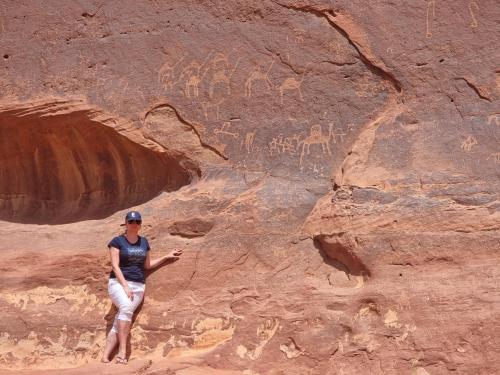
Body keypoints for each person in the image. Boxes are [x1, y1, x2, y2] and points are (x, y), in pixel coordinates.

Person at [101, 211, 182, 364]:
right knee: (125, 308)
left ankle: (105, 356)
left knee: (122, 316)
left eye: (137, 222)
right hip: (118, 283)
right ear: (126, 223)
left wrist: (166, 257)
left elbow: (147, 265)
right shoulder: (117, 241)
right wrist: (125, 286)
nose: (134, 224)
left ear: (140, 224)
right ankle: (123, 352)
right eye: (131, 221)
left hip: (138, 285)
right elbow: (115, 266)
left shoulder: (144, 242)